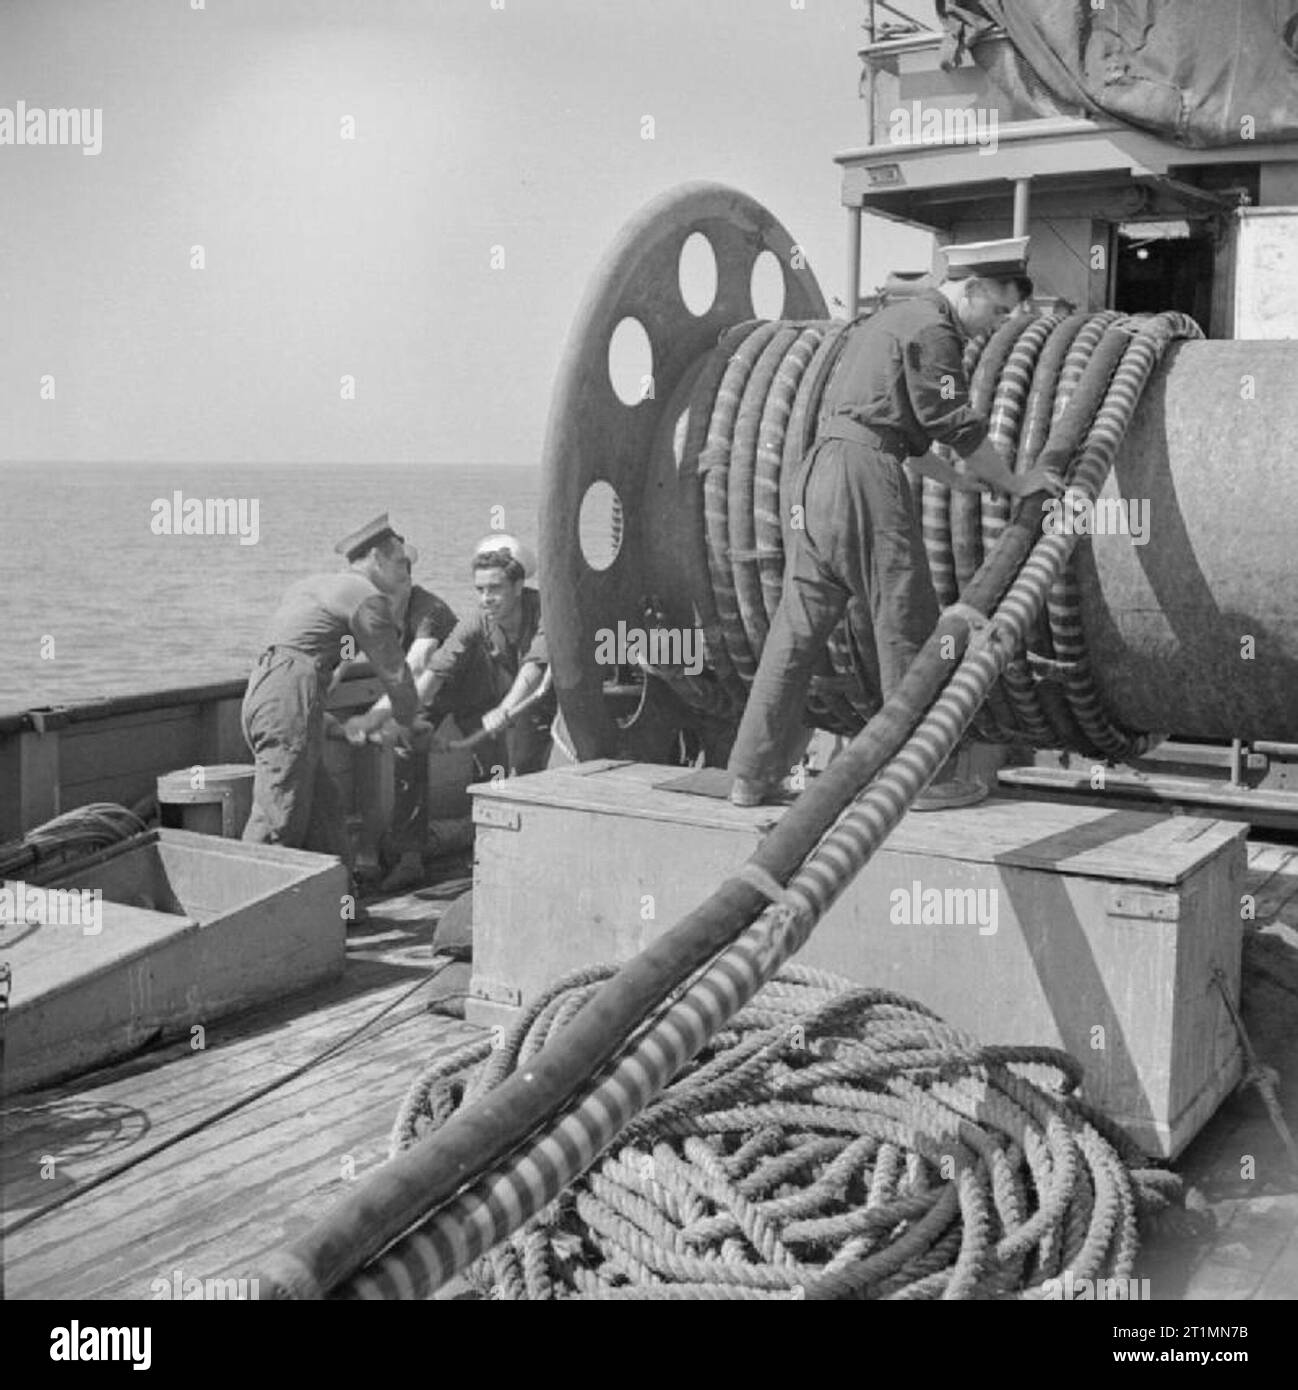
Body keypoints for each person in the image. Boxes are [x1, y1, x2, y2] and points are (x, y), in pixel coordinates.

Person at [728, 237, 1066, 809]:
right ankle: (920, 780)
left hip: (819, 477)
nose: (996, 326)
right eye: (997, 311)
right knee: (906, 625)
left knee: (795, 634)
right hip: (866, 481)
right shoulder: (935, 331)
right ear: (971, 289)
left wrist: (956, 480)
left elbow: (897, 428)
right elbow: (952, 422)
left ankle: (751, 777)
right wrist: (1015, 483)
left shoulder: (889, 320)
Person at [240, 514, 427, 915]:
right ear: (376, 558)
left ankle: (342, 910)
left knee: (324, 815)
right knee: (280, 818)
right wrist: (407, 722)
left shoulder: (315, 586)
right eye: (400, 562)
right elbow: (395, 673)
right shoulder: (366, 598)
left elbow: (305, 666)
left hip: (266, 692)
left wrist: (329, 724)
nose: (406, 572)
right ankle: (244, 916)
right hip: (290, 698)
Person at [346, 535, 554, 887]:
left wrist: (504, 710)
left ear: (519, 586)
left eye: (495, 589)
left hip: (517, 694)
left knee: (505, 768)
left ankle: (504, 855)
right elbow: (435, 673)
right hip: (463, 694)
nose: (486, 598)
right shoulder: (476, 620)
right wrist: (391, 720)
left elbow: (534, 666)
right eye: (480, 590)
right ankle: (411, 857)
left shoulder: (543, 609)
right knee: (407, 746)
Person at [340, 544, 459, 892]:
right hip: (422, 693)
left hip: (467, 686)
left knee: (492, 757)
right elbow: (343, 657)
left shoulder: (429, 609)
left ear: (406, 578)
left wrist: (371, 718)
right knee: (406, 744)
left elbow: (417, 664)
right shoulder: (372, 612)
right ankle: (406, 857)